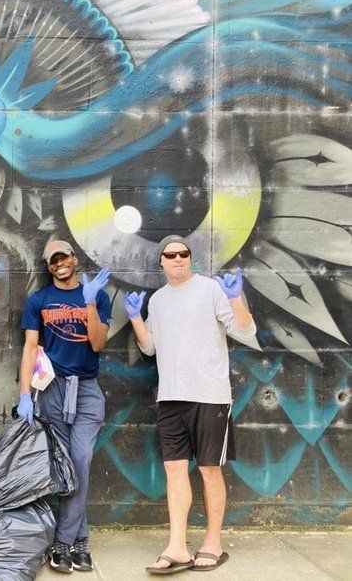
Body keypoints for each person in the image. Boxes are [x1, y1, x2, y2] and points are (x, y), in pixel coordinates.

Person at [125, 235, 256, 574]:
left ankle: (213, 543)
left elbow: (245, 330)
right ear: (161, 263)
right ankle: (177, 547)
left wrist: (235, 297)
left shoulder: (211, 290)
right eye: (171, 255)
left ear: (190, 258)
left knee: (211, 469)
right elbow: (150, 348)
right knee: (175, 470)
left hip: (210, 396)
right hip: (170, 397)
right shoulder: (158, 300)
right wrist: (136, 318)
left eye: (183, 254)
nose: (178, 259)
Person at [17, 240, 111, 574]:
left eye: (64, 256)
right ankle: (81, 543)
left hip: (86, 390)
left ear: (74, 258)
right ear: (49, 265)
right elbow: (30, 348)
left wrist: (89, 305)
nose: (59, 263)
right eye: (53, 259)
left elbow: (98, 343)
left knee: (80, 458)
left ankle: (62, 543)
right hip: (52, 388)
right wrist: (24, 394)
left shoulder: (97, 295)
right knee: (67, 465)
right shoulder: (39, 300)